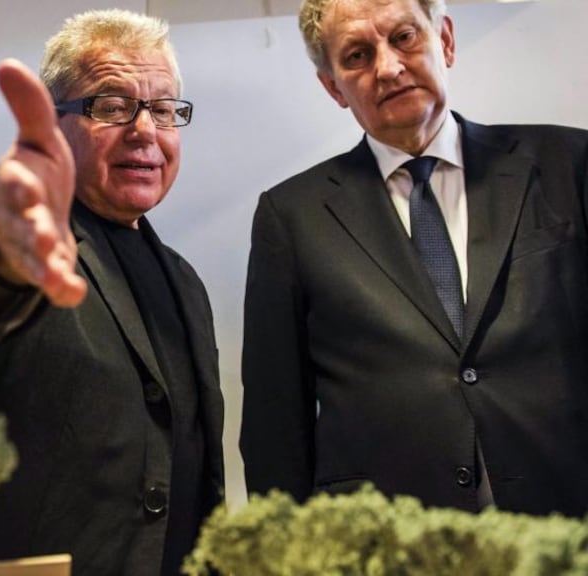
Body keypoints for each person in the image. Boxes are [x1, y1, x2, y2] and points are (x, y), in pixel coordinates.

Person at [240, 0, 588, 517]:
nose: (388, 67)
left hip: (564, 526)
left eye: (403, 37)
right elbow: (276, 422)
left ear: (444, 39)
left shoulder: (570, 165)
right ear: (333, 87)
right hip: (386, 544)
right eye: (357, 55)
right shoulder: (291, 216)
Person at [0, 9, 225, 576]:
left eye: (164, 110)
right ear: (53, 121)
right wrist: (1, 250)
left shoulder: (186, 283)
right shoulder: (7, 217)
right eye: (113, 106)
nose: (144, 130)